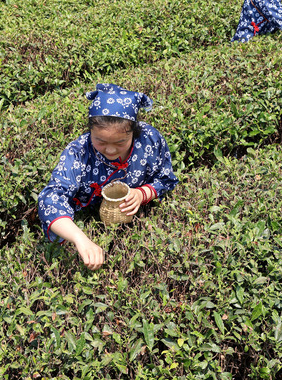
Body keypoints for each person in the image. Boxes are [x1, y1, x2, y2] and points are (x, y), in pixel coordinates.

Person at [37, 83, 178, 270]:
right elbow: (50, 200)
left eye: (121, 142)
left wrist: (142, 194)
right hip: (87, 216)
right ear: (90, 131)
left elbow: (165, 177)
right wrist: (81, 239)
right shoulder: (78, 152)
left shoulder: (149, 140)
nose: (110, 150)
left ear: (135, 133)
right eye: (100, 141)